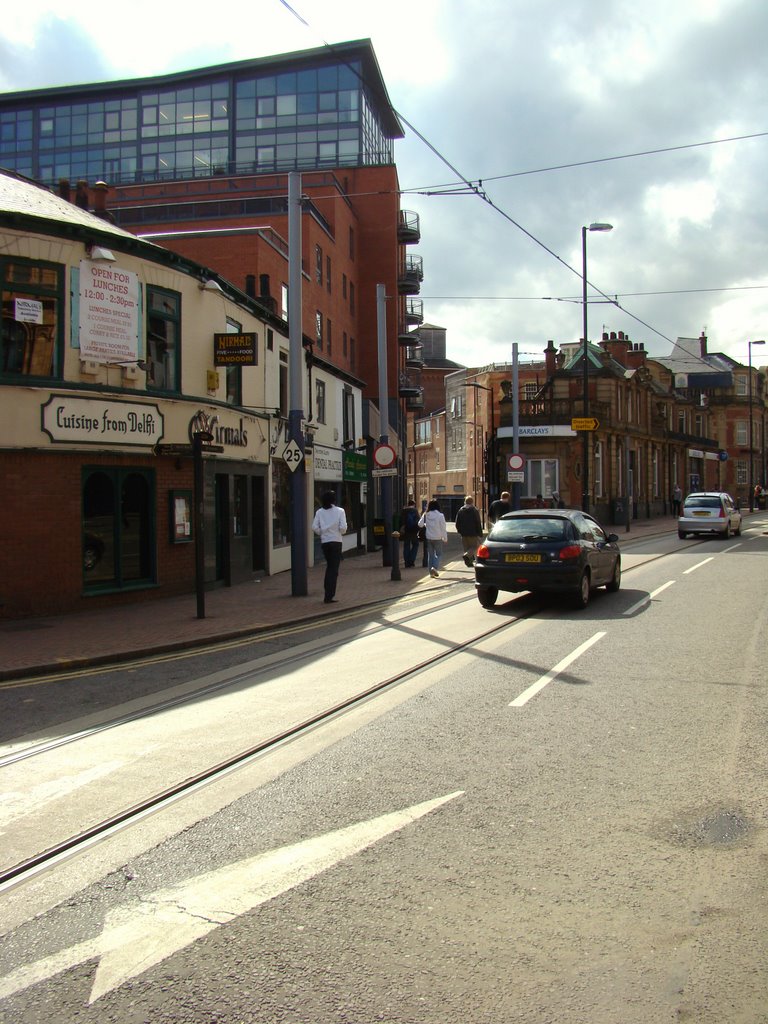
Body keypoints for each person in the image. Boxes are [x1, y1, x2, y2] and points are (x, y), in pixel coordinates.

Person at [312, 490, 347, 603]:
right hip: (336, 542)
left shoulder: (319, 512)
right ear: (334, 500)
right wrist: (338, 531)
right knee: (333, 569)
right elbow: (343, 528)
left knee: (329, 567)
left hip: (325, 543)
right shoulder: (340, 511)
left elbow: (314, 527)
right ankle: (329, 595)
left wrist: (322, 532)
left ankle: (328, 594)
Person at [418, 499, 448, 578]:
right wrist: (445, 537)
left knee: (430, 555)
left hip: (429, 537)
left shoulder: (426, 515)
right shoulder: (440, 515)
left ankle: (431, 573)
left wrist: (425, 524)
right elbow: (443, 527)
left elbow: (420, 524)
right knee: (439, 554)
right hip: (438, 537)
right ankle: (434, 568)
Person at [455, 495, 483, 566]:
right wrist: (480, 533)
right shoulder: (474, 510)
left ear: (465, 502)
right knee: (474, 547)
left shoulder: (460, 510)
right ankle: (467, 556)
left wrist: (459, 531)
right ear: (472, 502)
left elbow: (457, 522)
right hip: (473, 533)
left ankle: (469, 563)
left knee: (466, 548)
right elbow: (478, 522)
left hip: (463, 533)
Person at [399, 499, 421, 568]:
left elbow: (400, 521)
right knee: (416, 544)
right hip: (414, 531)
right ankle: (411, 560)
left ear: (408, 504)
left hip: (406, 531)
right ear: (414, 504)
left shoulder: (403, 511)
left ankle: (406, 562)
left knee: (406, 546)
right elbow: (419, 521)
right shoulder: (415, 510)